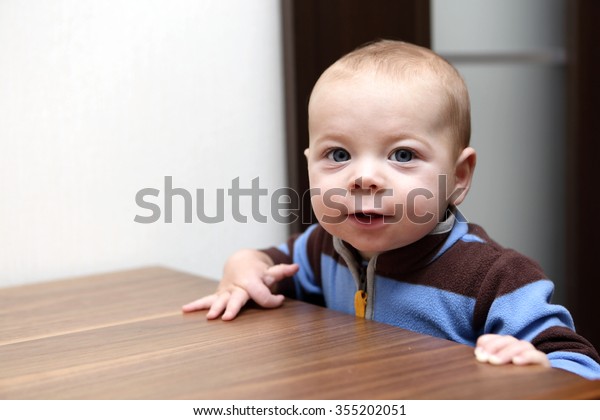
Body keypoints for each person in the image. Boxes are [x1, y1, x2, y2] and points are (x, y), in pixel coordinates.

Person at [182, 40, 600, 380]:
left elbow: (581, 369)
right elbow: (272, 269)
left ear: (458, 176)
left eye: (402, 154)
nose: (364, 178)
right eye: (339, 153)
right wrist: (244, 265)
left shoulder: (496, 279)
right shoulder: (324, 247)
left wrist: (535, 368)